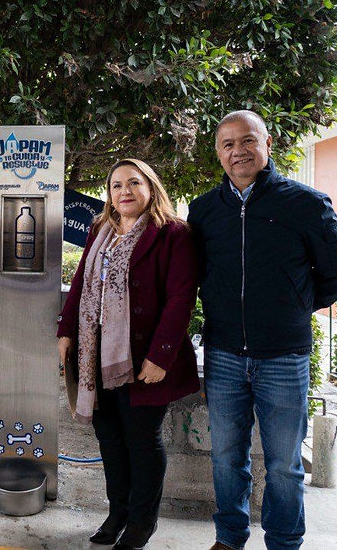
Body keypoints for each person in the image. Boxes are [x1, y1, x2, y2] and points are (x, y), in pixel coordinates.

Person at [188, 110, 337, 550]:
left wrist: (293, 307)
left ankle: (283, 542)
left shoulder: (306, 203)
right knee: (226, 456)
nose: (238, 151)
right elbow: (196, 273)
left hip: (284, 356)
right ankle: (229, 537)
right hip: (224, 353)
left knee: (283, 464)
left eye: (247, 140)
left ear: (267, 144)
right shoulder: (203, 210)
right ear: (218, 153)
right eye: (227, 144)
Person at [57, 158, 200, 549]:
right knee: (110, 439)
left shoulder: (172, 233)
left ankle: (141, 522)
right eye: (116, 185)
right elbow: (81, 282)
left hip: (142, 358)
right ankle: (117, 512)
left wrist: (160, 357)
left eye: (134, 183)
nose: (125, 191)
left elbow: (180, 299)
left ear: (150, 187)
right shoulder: (101, 229)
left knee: (142, 440)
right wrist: (66, 330)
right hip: (97, 356)